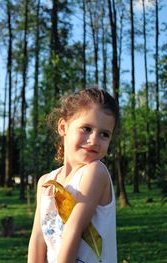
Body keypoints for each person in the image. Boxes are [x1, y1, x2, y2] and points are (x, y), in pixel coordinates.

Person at [28, 88, 118, 263]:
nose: (94, 140)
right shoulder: (46, 183)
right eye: (86, 128)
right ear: (63, 127)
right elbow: (38, 240)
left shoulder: (95, 172)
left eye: (104, 134)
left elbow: (73, 230)